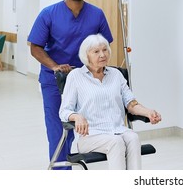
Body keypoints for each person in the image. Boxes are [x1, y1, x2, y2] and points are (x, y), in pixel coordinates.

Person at [27, 0, 114, 169]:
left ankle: (69, 160)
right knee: (57, 127)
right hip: (54, 79)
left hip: (85, 79)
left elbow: (104, 44)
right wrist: (54, 66)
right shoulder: (49, 14)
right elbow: (35, 47)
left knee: (76, 125)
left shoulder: (96, 14)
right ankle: (60, 170)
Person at [59, 34, 161, 170]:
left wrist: (148, 112)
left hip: (118, 130)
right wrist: (77, 116)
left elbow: (131, 103)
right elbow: (64, 111)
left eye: (105, 50)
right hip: (91, 136)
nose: (102, 55)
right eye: (96, 51)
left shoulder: (116, 74)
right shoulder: (75, 76)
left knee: (133, 137)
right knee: (116, 142)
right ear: (86, 55)